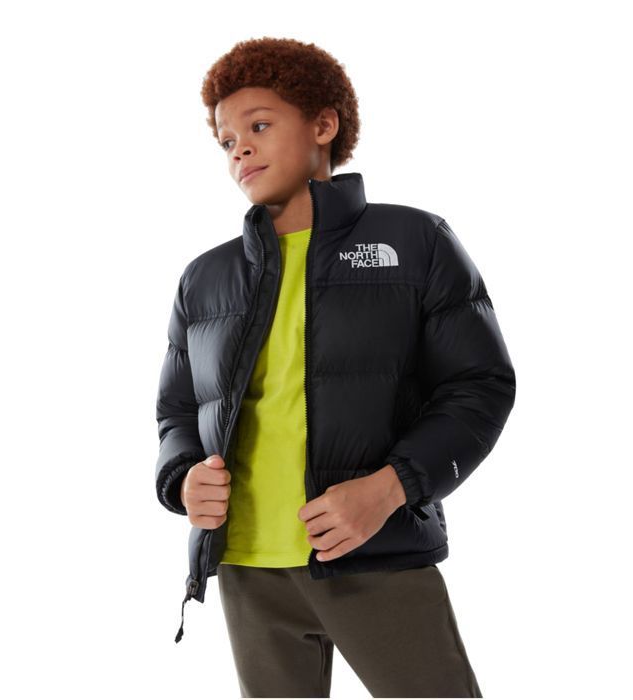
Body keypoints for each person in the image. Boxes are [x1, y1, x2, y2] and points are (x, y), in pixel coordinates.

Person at [154, 36, 516, 698]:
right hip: (246, 566)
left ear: (324, 125)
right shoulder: (204, 279)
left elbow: (479, 386)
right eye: (227, 140)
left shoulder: (414, 241)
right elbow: (178, 411)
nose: (239, 149)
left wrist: (391, 488)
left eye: (259, 126)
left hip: (372, 554)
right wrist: (181, 480)